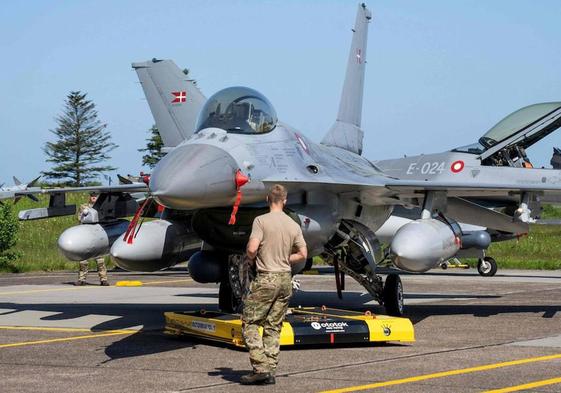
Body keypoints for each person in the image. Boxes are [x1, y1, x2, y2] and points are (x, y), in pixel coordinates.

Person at [240, 184, 307, 385]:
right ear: (285, 201)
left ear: (268, 199)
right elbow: (303, 254)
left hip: (266, 278)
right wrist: (287, 258)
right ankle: (270, 369)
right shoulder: (293, 225)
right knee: (273, 325)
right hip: (285, 279)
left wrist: (251, 257)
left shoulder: (261, 221)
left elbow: (252, 249)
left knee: (250, 322)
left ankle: (260, 368)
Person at [75, 192, 109, 286]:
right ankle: (82, 279)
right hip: (86, 234)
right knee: (83, 260)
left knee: (100, 260)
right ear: (89, 197)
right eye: (92, 196)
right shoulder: (84, 207)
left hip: (96, 234)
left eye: (95, 196)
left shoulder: (101, 207)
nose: (94, 197)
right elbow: (80, 218)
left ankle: (103, 279)